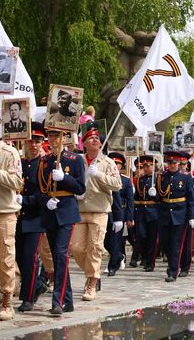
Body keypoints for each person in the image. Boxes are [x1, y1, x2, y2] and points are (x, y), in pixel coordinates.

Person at [38, 129, 86, 316]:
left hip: (66, 210)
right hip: (50, 210)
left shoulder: (75, 160)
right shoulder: (44, 161)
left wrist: (64, 178)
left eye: (57, 135)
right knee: (58, 258)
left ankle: (57, 301)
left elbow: (81, 188)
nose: (53, 139)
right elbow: (39, 188)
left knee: (60, 254)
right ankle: (68, 300)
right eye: (50, 136)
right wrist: (45, 201)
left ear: (64, 138)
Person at [71, 129, 122, 301]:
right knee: (76, 248)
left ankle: (91, 282)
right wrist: (74, 191)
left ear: (101, 144)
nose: (94, 140)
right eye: (89, 138)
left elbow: (117, 184)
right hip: (79, 209)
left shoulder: (107, 162)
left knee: (95, 247)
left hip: (99, 209)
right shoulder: (77, 161)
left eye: (96, 138)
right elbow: (70, 181)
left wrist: (98, 174)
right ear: (83, 144)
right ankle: (93, 273)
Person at [0, 112, 23, 321]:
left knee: (5, 260)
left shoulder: (9, 153)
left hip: (4, 214)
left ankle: (7, 300)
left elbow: (17, 182)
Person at [15, 123, 48, 313]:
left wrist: (25, 199)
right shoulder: (20, 163)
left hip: (35, 217)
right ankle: (37, 285)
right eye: (31, 141)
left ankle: (27, 298)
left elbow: (45, 193)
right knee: (20, 257)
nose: (34, 145)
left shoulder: (44, 164)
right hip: (19, 217)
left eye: (37, 141)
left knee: (30, 258)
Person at [156, 151, 194, 282]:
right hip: (165, 213)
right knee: (164, 243)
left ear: (179, 163)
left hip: (180, 214)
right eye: (169, 162)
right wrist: (153, 193)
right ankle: (174, 265)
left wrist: (192, 216)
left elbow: (191, 198)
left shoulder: (185, 177)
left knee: (176, 244)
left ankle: (173, 271)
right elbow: (160, 196)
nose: (172, 165)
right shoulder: (161, 176)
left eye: (174, 162)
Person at [132, 155, 159, 271]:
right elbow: (136, 198)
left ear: (154, 166)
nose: (146, 168)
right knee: (141, 236)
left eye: (149, 165)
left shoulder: (158, 179)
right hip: (141, 211)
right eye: (144, 166)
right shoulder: (139, 180)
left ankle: (150, 263)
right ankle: (144, 257)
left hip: (154, 211)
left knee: (152, 239)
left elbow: (162, 196)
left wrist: (156, 195)